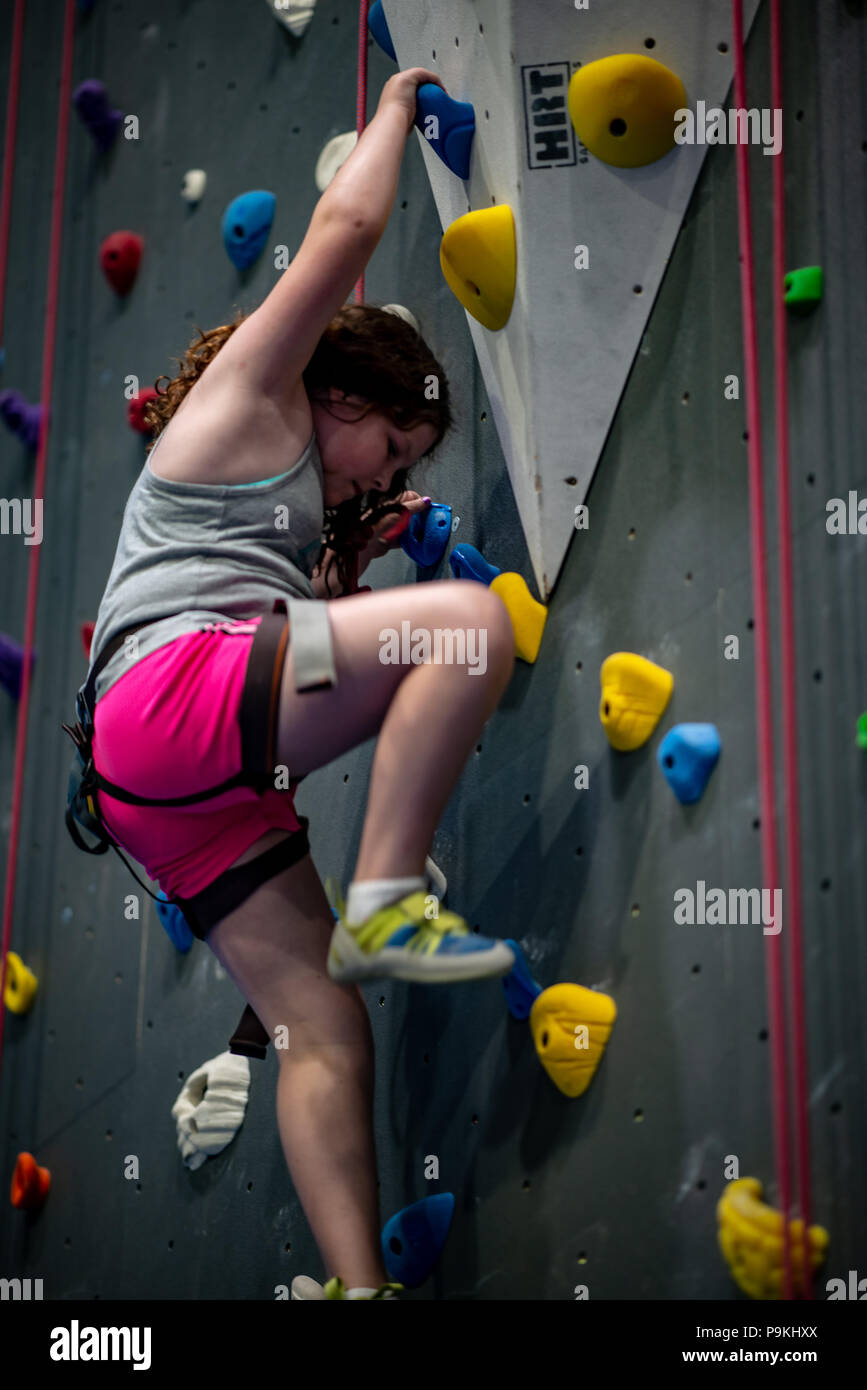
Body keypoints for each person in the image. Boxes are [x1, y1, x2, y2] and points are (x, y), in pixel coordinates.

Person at [82, 67, 516, 1300]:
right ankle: (386, 898)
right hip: (168, 701)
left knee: (321, 1023)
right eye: (390, 447)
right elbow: (345, 231)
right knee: (469, 629)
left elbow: (309, 681)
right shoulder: (249, 397)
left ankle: (352, 1290)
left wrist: (336, 579)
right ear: (340, 399)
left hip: (166, 796)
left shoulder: (286, 523)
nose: (386, 477)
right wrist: (394, 106)